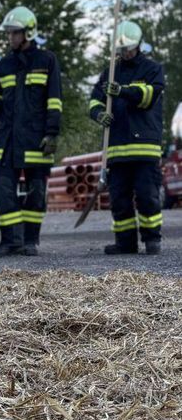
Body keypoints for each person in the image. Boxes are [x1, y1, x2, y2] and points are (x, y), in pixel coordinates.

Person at [0, 6, 62, 257]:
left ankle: (30, 240)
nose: (10, 38)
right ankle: (10, 242)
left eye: (14, 33)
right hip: (7, 139)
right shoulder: (3, 66)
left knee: (36, 192)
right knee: (4, 190)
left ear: (28, 32)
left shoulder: (47, 61)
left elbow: (54, 100)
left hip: (36, 138)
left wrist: (52, 133)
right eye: (8, 33)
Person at [89, 20, 164, 255]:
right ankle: (125, 242)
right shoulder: (110, 72)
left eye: (129, 48)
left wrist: (122, 91)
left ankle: (152, 240)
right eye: (121, 49)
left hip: (144, 148)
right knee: (119, 199)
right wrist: (99, 114)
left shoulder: (152, 69)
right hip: (117, 149)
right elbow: (93, 101)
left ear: (138, 45)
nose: (125, 52)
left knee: (147, 196)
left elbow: (148, 97)